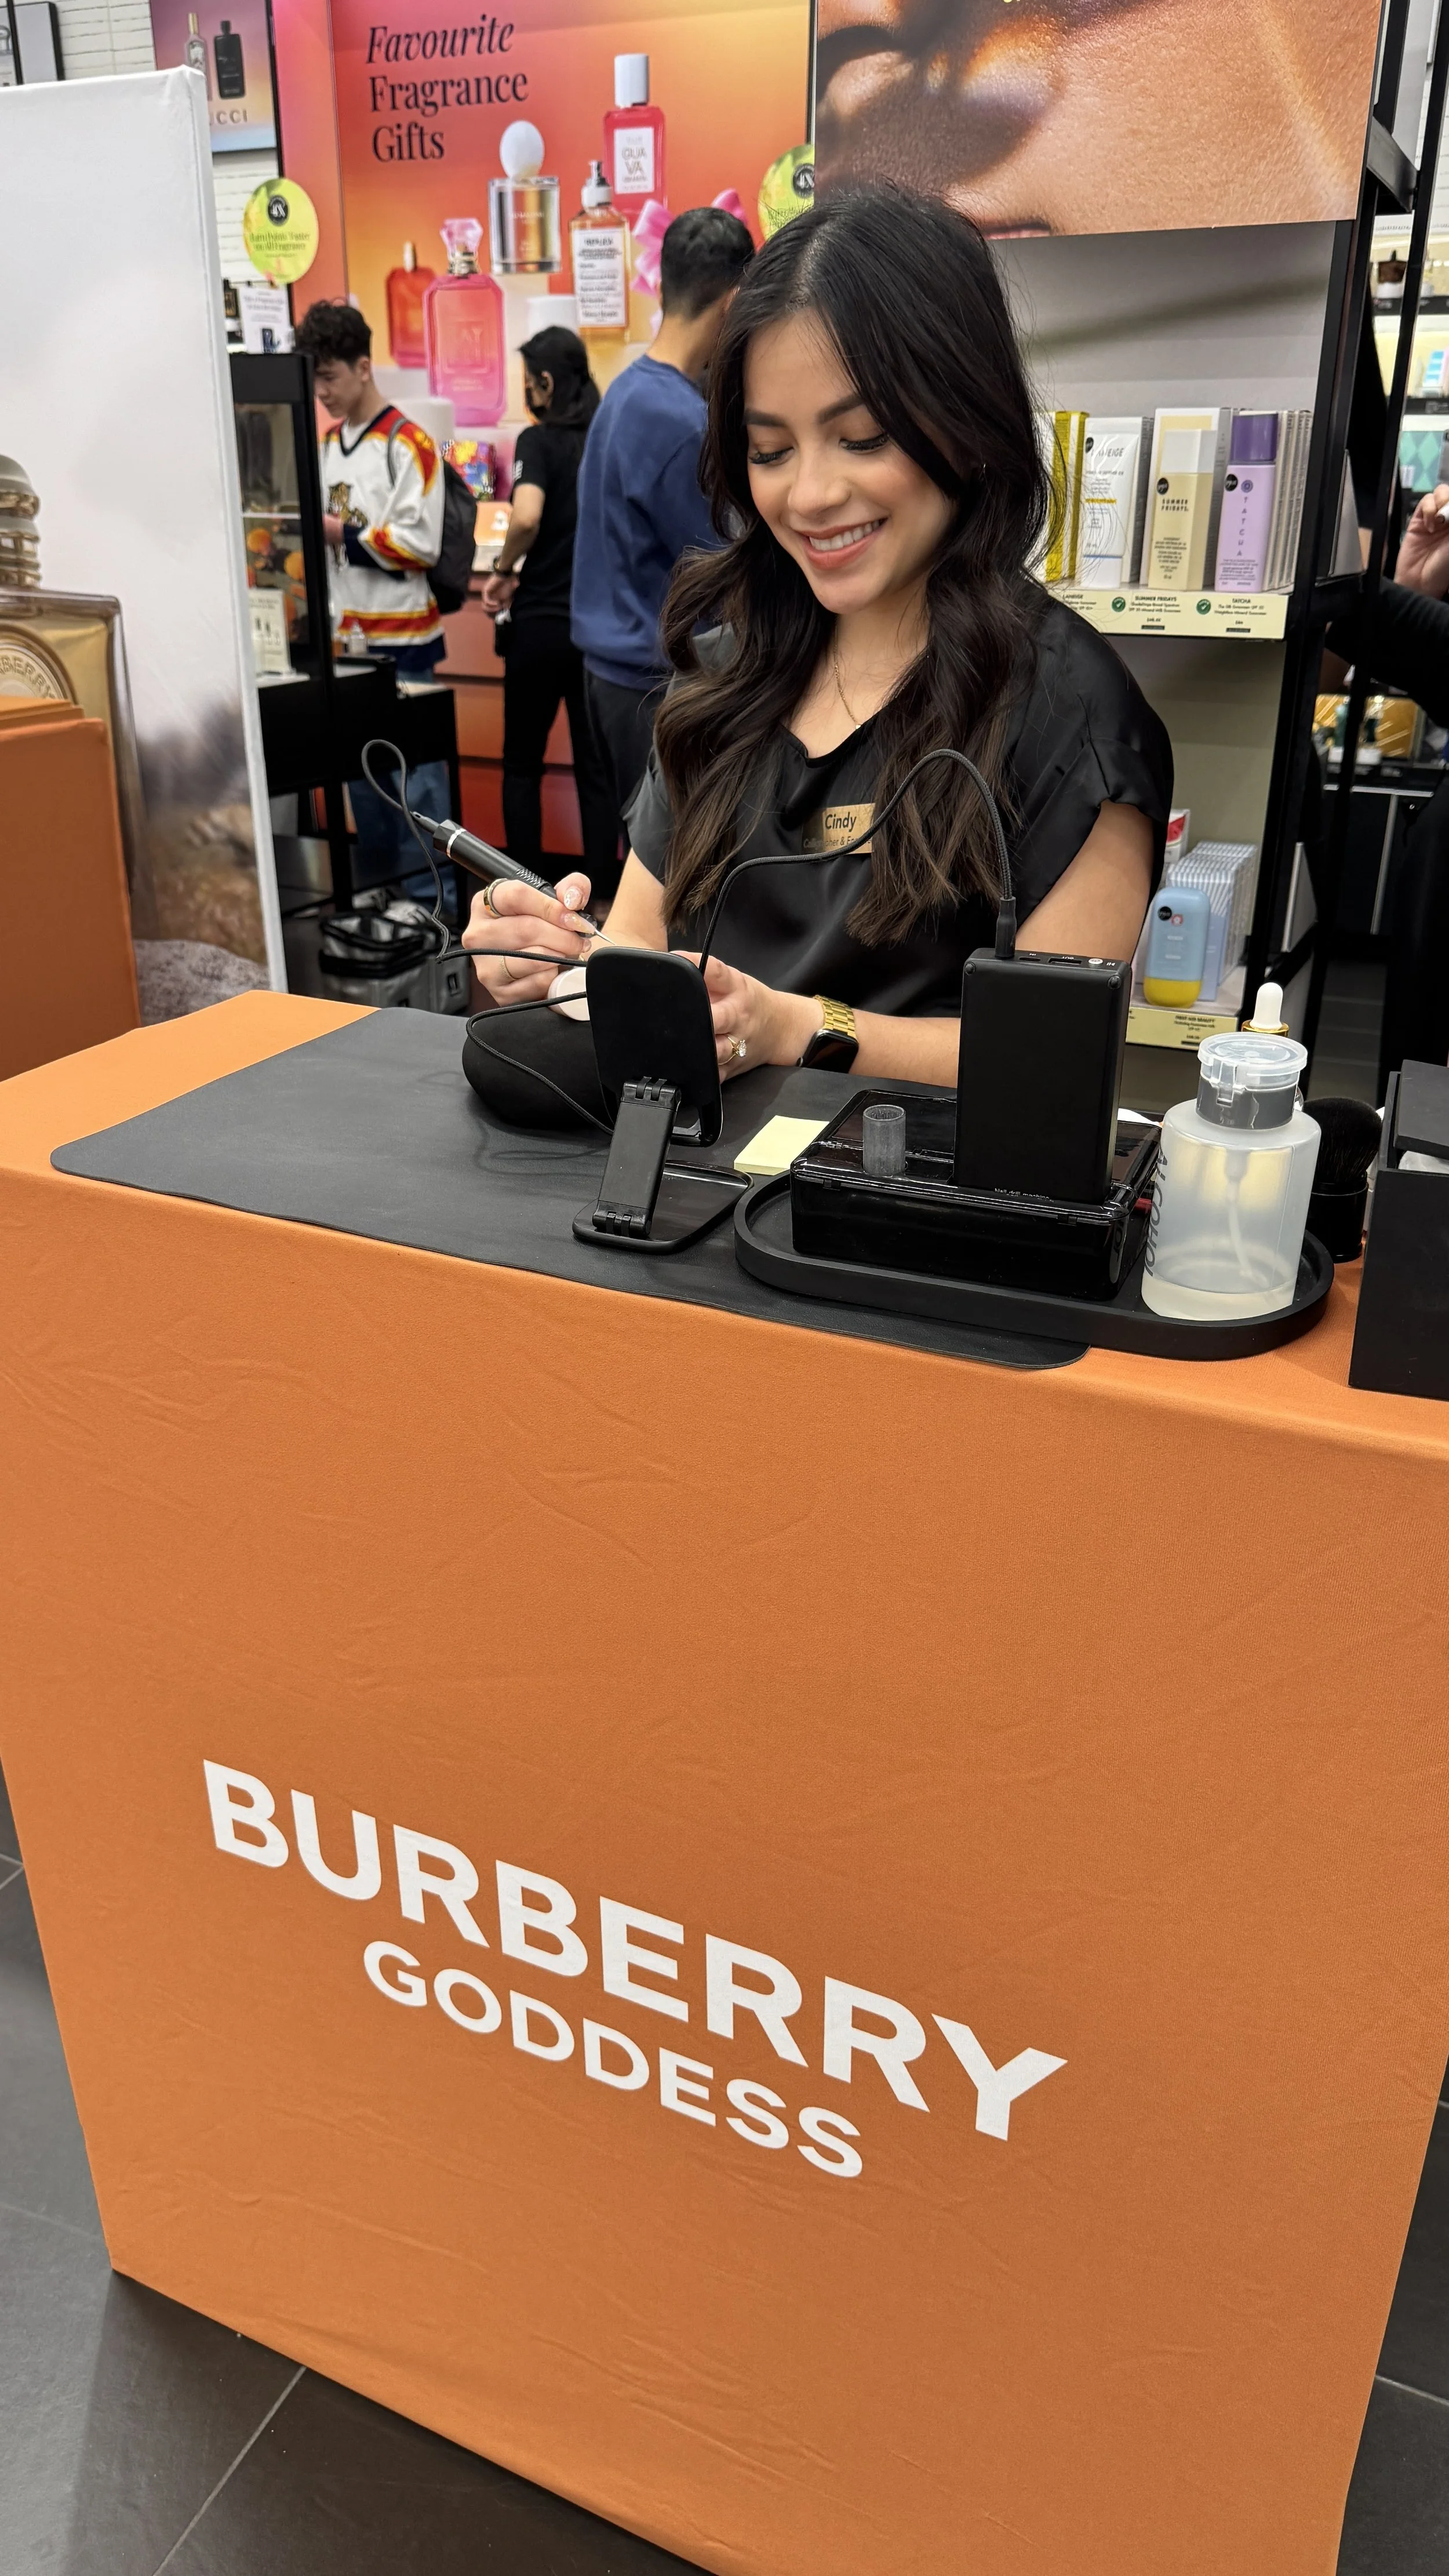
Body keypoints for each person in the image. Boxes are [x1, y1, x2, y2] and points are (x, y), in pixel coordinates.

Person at [465, 184, 1171, 1090]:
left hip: (898, 1213)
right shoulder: (726, 675)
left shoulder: (1072, 716)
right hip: (683, 1201)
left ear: (965, 418)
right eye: (770, 451)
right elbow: (638, 950)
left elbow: (1051, 1062)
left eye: (861, 437)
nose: (808, 496)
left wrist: (798, 1027)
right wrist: (550, 964)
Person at [570, 204, 755, 827]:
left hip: (611, 674)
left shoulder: (624, 393)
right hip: (654, 681)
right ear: (734, 303)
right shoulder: (682, 424)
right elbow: (728, 568)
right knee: (677, 864)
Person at [294, 299, 448, 881]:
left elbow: (420, 544)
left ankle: (436, 914)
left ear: (363, 367)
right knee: (366, 790)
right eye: (314, 380)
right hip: (344, 642)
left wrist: (341, 534)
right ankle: (384, 905)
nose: (322, 392)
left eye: (329, 377)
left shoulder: (409, 444)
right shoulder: (327, 447)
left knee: (421, 794)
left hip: (405, 642)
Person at [480, 327, 621, 897]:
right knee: (595, 772)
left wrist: (504, 568)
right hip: (595, 631)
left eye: (527, 381)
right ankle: (603, 895)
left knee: (521, 765)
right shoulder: (605, 438)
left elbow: (527, 516)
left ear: (545, 382)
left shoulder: (537, 443)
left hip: (538, 624)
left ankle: (527, 890)